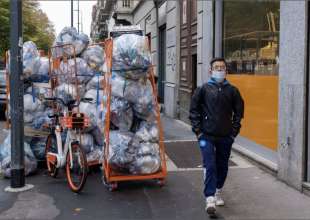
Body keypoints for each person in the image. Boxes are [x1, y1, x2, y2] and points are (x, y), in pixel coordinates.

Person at [189, 57, 244, 216]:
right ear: (210, 71)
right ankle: (210, 197)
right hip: (206, 135)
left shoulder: (233, 91)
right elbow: (194, 111)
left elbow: (239, 113)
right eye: (216, 67)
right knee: (210, 165)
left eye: (222, 68)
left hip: (225, 136)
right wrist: (198, 131)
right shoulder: (203, 89)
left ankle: (218, 189)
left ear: (226, 71)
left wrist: (233, 133)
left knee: (223, 166)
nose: (219, 70)